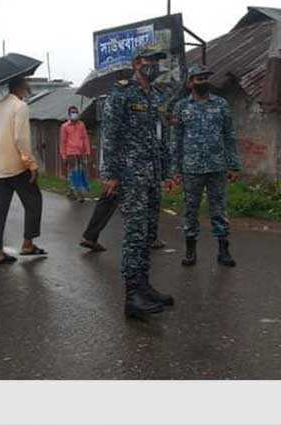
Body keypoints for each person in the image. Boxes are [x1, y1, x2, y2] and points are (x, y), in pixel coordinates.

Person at [102, 45, 176, 318]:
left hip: (152, 174)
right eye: (151, 60)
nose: (155, 64)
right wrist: (109, 173)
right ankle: (132, 296)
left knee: (148, 233)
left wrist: (166, 171)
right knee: (134, 234)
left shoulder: (156, 96)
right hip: (130, 175)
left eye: (158, 60)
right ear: (137, 62)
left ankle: (144, 287)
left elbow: (162, 137)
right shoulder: (122, 92)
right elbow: (110, 134)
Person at [170, 64, 241, 267]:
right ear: (190, 82)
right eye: (199, 79)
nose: (203, 82)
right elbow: (175, 140)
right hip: (191, 168)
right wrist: (175, 170)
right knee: (191, 210)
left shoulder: (221, 104)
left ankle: (223, 250)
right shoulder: (181, 107)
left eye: (206, 78)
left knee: (218, 209)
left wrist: (234, 165)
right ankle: (190, 250)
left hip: (217, 166)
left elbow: (229, 136)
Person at [0, 76, 47, 265]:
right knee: (34, 201)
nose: (28, 88)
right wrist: (31, 164)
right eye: (26, 85)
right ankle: (28, 243)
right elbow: (21, 139)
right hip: (17, 166)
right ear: (20, 87)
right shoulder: (19, 107)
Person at [60, 105, 91, 202]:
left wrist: (87, 151)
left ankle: (73, 191)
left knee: (82, 171)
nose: (75, 114)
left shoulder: (81, 124)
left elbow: (85, 138)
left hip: (81, 152)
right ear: (69, 115)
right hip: (71, 153)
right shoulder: (65, 126)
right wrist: (64, 155)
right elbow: (63, 142)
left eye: (76, 112)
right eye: (72, 112)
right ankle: (78, 193)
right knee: (74, 172)